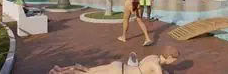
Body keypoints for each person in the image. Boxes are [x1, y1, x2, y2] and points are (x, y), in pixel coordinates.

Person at [49, 46, 180, 74]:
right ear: (169, 58)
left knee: (87, 70)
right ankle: (59, 73)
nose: (173, 62)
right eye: (174, 60)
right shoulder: (157, 67)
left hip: (119, 66)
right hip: (118, 73)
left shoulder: (153, 57)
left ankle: (62, 69)